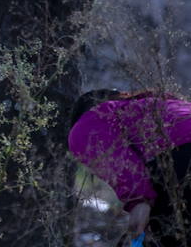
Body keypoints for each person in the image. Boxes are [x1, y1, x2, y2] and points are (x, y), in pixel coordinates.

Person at [69, 89, 191, 245]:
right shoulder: (154, 105)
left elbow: (124, 165)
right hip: (178, 152)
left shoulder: (85, 124)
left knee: (167, 234)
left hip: (182, 155)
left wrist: (138, 201)